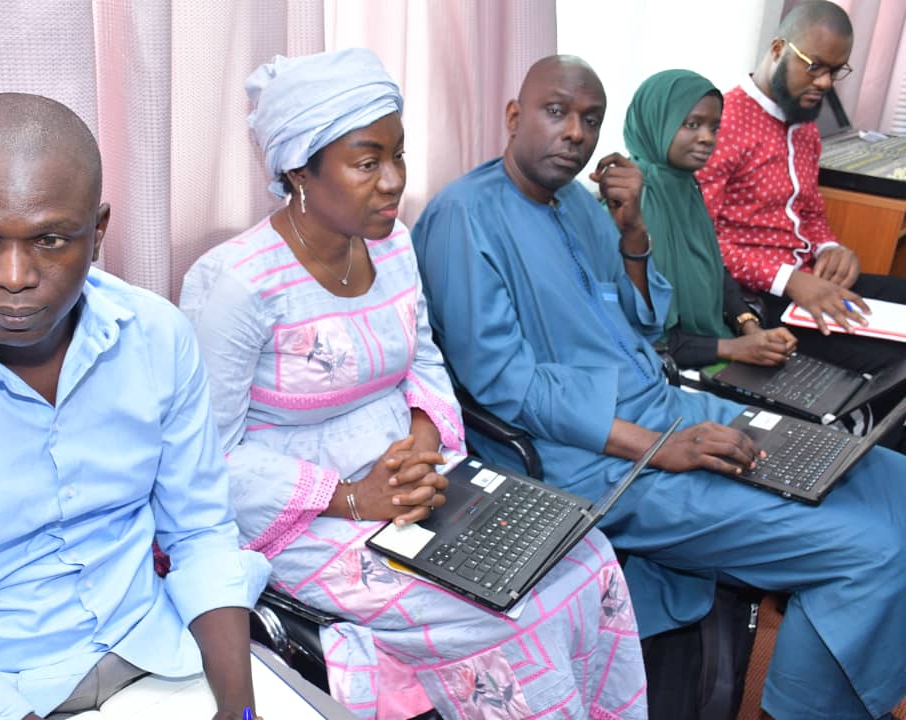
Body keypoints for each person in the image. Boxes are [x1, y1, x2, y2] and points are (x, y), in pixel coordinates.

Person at [413, 55, 906, 720]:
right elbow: (506, 386)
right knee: (870, 551)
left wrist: (635, 233)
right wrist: (660, 447)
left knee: (890, 477)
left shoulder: (579, 207)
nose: (576, 133)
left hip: (671, 407)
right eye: (556, 112)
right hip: (589, 460)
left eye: (590, 119)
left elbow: (642, 322)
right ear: (513, 116)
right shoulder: (463, 218)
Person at [179, 48, 647, 720]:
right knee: (508, 615)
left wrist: (425, 440)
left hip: (417, 483)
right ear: (299, 169)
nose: (394, 181)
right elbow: (208, 461)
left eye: (398, 156)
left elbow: (422, 359)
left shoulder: (393, 245)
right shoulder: (236, 285)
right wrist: (353, 497)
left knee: (586, 558)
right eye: (367, 163)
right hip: (304, 518)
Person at [0, 93, 270, 720]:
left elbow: (200, 533)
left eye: (51, 239)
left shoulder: (157, 336)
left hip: (160, 655)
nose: (13, 275)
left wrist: (240, 710)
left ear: (99, 232)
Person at [695, 1, 906, 380]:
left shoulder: (805, 124)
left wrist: (830, 248)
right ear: (778, 49)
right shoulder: (721, 124)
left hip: (809, 277)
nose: (825, 83)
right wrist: (788, 280)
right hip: (755, 298)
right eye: (815, 67)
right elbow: (699, 241)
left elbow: (810, 212)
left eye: (835, 71)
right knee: (896, 362)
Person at [622, 68, 798, 370]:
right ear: (656, 121)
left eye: (714, 128)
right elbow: (647, 337)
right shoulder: (631, 205)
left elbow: (714, 269)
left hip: (716, 348)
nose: (707, 138)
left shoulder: (686, 188)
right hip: (667, 369)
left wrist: (750, 327)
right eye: (692, 124)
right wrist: (734, 348)